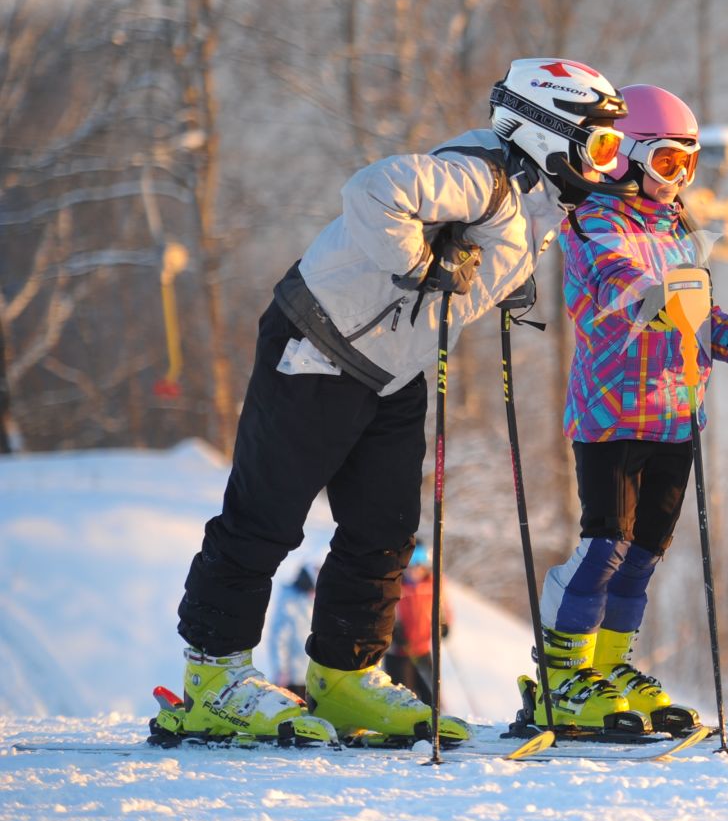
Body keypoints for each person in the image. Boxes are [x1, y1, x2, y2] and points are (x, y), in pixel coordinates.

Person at [168, 57, 626, 745]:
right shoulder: (484, 174)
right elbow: (374, 191)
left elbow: (479, 255)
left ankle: (344, 676)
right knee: (266, 515)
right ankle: (213, 678)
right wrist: (422, 265)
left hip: (392, 369)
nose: (606, 163)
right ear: (547, 128)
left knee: (383, 531)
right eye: (599, 143)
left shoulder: (535, 199)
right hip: (320, 342)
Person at [528, 83, 728, 733]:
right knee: (605, 542)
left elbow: (694, 317)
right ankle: (563, 673)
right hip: (611, 413)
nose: (679, 179)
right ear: (626, 158)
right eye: (668, 162)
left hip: (675, 415)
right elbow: (617, 287)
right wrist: (659, 298)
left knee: (644, 551)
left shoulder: (675, 229)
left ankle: (609, 665)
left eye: (688, 165)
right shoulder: (591, 221)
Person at [384, 545, 450, 705]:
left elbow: (444, 606)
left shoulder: (433, 583)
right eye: (411, 565)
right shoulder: (395, 583)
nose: (415, 570)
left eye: (419, 565)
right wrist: (392, 630)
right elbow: (385, 609)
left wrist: (444, 623)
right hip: (399, 652)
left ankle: (435, 724)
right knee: (404, 697)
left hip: (422, 650)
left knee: (432, 695)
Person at [263, 566, 316, 698]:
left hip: (309, 675)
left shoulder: (308, 603)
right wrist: (281, 670)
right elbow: (279, 639)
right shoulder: (290, 605)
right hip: (292, 677)